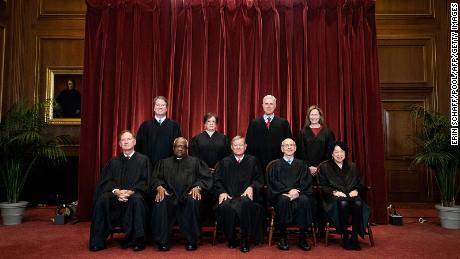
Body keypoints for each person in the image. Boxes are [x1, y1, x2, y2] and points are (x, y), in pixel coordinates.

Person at [89, 130, 152, 252]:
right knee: (102, 200)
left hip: (134, 195)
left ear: (134, 142)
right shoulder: (114, 161)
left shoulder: (143, 160)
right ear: (119, 144)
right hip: (116, 197)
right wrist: (117, 191)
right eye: (123, 140)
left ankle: (138, 240)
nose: (126, 142)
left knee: (138, 200)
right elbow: (106, 181)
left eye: (129, 139)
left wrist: (130, 192)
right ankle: (97, 241)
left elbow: (146, 182)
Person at [150, 137, 212, 251]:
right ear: (173, 148)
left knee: (194, 200)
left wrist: (198, 187)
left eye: (183, 146)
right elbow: (155, 178)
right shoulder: (164, 162)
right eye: (177, 146)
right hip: (170, 195)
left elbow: (206, 178)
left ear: (187, 149)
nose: (180, 148)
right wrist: (159, 187)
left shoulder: (195, 162)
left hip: (188, 195)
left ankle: (192, 240)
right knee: (161, 200)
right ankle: (163, 241)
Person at [214, 136, 264, 252]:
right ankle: (231, 238)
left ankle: (244, 239)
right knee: (225, 206)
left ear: (245, 147)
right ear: (231, 147)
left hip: (246, 197)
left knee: (246, 204)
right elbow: (217, 180)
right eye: (235, 145)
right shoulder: (224, 162)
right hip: (229, 196)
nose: (238, 147)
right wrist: (222, 192)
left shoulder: (253, 161)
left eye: (241, 145)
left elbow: (259, 180)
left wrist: (251, 187)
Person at [318, 141, 369, 251]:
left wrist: (356, 190)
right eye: (336, 152)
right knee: (343, 202)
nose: (339, 154)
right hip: (333, 199)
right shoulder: (325, 167)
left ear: (345, 153)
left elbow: (360, 183)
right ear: (332, 154)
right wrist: (335, 192)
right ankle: (345, 237)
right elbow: (322, 186)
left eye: (342, 152)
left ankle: (354, 237)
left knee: (358, 202)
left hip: (352, 197)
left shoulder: (352, 166)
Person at [267, 138, 315, 251]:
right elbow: (273, 182)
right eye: (286, 145)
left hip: (300, 193)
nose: (289, 147)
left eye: (291, 145)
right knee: (283, 200)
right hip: (281, 194)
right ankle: (282, 237)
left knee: (305, 200)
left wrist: (297, 192)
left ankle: (303, 238)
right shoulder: (275, 165)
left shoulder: (302, 164)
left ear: (295, 148)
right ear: (282, 148)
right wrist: (289, 191)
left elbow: (306, 181)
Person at [246, 95, 292, 179]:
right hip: (259, 164)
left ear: (275, 105)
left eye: (271, 104)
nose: (268, 106)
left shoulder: (283, 123)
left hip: (279, 164)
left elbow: (290, 144)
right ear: (262, 105)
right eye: (266, 103)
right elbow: (249, 145)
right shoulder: (254, 123)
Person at [136, 96, 181, 166]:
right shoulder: (145, 126)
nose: (160, 107)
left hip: (169, 166)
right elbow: (139, 146)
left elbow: (178, 146)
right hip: (149, 166)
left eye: (163, 105)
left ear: (166, 108)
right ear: (154, 108)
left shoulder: (174, 126)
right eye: (157, 105)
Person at [296, 105, 335, 179]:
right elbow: (300, 152)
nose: (314, 117)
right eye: (312, 115)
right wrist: (309, 167)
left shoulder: (328, 132)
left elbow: (330, 152)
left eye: (316, 114)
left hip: (324, 169)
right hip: (306, 169)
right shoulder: (302, 132)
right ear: (308, 116)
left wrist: (319, 167)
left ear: (320, 116)